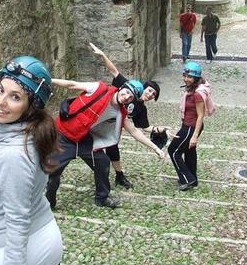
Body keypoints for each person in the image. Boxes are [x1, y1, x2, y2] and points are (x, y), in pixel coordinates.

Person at [0, 56, 63, 265]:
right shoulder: (25, 133)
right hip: (43, 238)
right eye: (0, 90)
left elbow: (17, 220)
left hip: (10, 252)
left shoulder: (13, 153)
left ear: (30, 106)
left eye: (15, 97)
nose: (1, 101)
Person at [46, 76, 165, 209]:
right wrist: (48, 80)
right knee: (54, 172)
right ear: (121, 88)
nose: (126, 97)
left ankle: (102, 197)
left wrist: (156, 148)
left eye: (130, 97)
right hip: (64, 135)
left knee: (102, 162)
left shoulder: (120, 112)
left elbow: (134, 131)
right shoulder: (99, 88)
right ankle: (49, 202)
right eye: (126, 92)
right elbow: (71, 84)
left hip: (84, 138)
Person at [90, 42, 172, 189]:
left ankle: (118, 175)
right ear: (143, 87)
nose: (150, 94)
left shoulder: (141, 109)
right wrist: (103, 56)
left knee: (112, 148)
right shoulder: (128, 87)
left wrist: (161, 130)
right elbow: (114, 71)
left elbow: (144, 127)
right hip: (97, 118)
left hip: (111, 128)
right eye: (149, 90)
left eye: (153, 95)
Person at [167, 61, 215, 191]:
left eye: (189, 77)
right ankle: (193, 179)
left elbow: (200, 115)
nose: (186, 79)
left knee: (173, 151)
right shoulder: (192, 89)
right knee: (189, 151)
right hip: (188, 125)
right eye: (185, 76)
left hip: (190, 127)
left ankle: (187, 179)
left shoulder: (197, 93)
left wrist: (194, 136)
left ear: (196, 78)